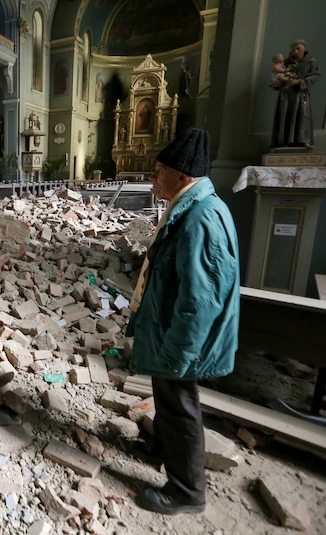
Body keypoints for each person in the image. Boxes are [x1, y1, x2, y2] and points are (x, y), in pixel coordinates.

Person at [127, 127, 240, 516]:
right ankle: (161, 449)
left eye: (159, 171)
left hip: (183, 334)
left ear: (183, 177)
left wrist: (180, 349)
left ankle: (187, 492)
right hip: (170, 327)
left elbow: (201, 299)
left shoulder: (201, 219)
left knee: (180, 405)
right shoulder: (190, 204)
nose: (152, 178)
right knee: (166, 396)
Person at [271, 40, 319, 149]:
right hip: (286, 96)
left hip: (299, 95)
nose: (295, 51)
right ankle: (282, 141)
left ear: (304, 49)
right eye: (293, 50)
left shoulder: (310, 62)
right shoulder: (286, 63)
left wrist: (299, 82)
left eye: (298, 49)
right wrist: (278, 82)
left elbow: (315, 76)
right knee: (284, 115)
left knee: (301, 116)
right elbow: (276, 77)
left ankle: (301, 140)